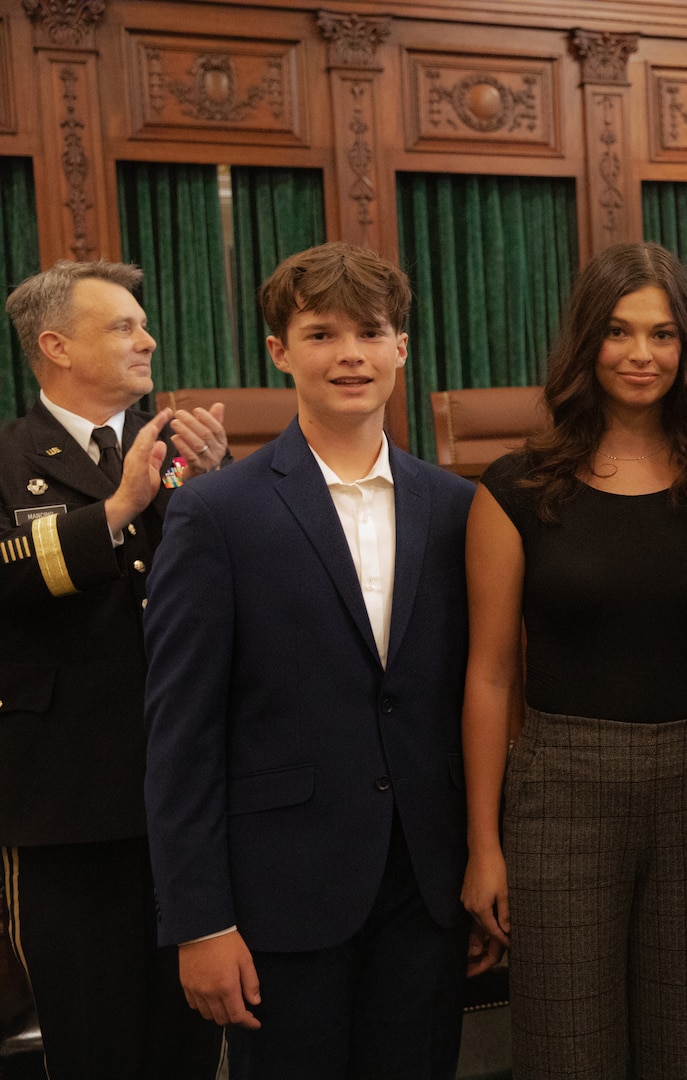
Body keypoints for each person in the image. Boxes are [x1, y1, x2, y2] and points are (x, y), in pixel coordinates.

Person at [143, 242, 477, 1079]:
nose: (350, 355)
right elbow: (180, 735)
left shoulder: (458, 506)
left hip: (424, 891)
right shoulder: (216, 513)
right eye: (322, 334)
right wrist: (199, 921)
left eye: (371, 332)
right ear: (279, 353)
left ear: (403, 346)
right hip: (275, 903)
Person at [459, 242, 687, 1077]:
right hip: (560, 791)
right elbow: (490, 675)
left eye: (661, 334)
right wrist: (484, 844)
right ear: (586, 344)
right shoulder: (517, 487)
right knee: (567, 1045)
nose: (641, 354)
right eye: (618, 332)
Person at [0, 259, 228, 1079]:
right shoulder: (7, 458)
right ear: (55, 346)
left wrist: (217, 492)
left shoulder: (177, 453)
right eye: (124, 325)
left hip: (187, 797)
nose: (149, 339)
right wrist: (120, 508)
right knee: (94, 1043)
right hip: (66, 804)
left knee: (188, 1044)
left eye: (143, 322)